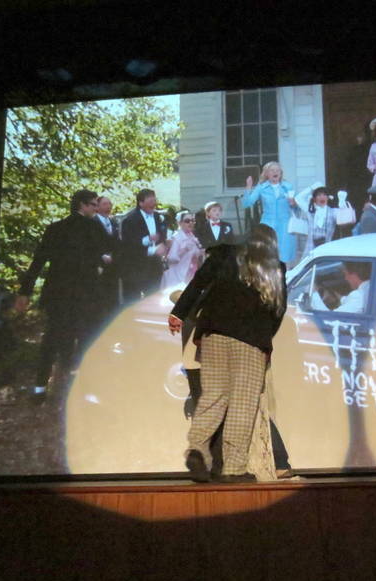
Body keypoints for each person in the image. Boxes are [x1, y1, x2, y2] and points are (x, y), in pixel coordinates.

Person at [168, 224, 288, 483]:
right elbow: (278, 310)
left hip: (213, 335)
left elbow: (198, 283)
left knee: (214, 396)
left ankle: (197, 449)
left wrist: (178, 312)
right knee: (242, 403)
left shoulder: (224, 255)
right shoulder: (274, 268)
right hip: (250, 340)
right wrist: (266, 340)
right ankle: (233, 468)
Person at [15, 189, 110, 402]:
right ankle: (83, 389)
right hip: (85, 295)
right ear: (82, 205)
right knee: (85, 340)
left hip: (57, 294)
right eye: (94, 204)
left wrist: (25, 291)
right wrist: (103, 260)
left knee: (51, 338)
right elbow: (107, 250)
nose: (97, 209)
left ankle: (40, 387)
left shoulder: (55, 228)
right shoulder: (94, 228)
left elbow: (38, 261)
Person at [242, 161, 297, 264]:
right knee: (267, 253)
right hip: (268, 223)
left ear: (281, 173)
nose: (275, 172)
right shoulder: (261, 187)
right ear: (267, 173)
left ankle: (285, 272)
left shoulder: (288, 187)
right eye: (272, 170)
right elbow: (247, 203)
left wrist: (293, 203)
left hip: (285, 224)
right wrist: (248, 187)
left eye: (277, 170)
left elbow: (296, 208)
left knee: (284, 254)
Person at [120, 188, 169, 302]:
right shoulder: (130, 219)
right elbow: (128, 244)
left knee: (154, 296)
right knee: (134, 299)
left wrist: (163, 243)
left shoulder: (157, 217)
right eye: (150, 201)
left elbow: (161, 234)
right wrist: (148, 244)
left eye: (154, 200)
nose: (153, 204)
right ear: (141, 203)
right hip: (137, 265)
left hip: (154, 265)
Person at [93, 195, 122, 321]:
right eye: (105, 204)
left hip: (114, 266)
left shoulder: (114, 222)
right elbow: (90, 244)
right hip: (99, 266)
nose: (108, 207)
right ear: (97, 207)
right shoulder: (92, 222)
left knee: (113, 297)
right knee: (101, 297)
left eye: (110, 204)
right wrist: (100, 256)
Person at [160, 210, 205, 290]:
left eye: (192, 220)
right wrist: (184, 251)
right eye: (187, 221)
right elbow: (171, 259)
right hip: (177, 275)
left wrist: (201, 252)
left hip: (190, 272)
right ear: (179, 223)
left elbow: (195, 254)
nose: (191, 223)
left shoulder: (192, 236)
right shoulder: (176, 238)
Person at [293, 182, 338, 256]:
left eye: (324, 195)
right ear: (314, 198)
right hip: (311, 249)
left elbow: (346, 217)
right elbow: (298, 198)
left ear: (328, 197)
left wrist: (342, 203)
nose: (322, 197)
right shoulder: (310, 210)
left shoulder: (333, 212)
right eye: (319, 195)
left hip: (326, 249)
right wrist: (311, 188)